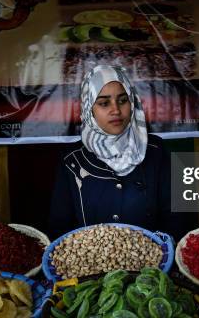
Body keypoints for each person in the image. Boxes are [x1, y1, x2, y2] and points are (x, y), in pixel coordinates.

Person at [49, 65, 186, 240]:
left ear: (132, 102)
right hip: (90, 266)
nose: (116, 110)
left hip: (151, 264)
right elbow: (59, 226)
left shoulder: (156, 150)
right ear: (89, 109)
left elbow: (175, 218)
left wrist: (161, 253)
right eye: (104, 103)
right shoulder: (72, 159)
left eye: (122, 100)